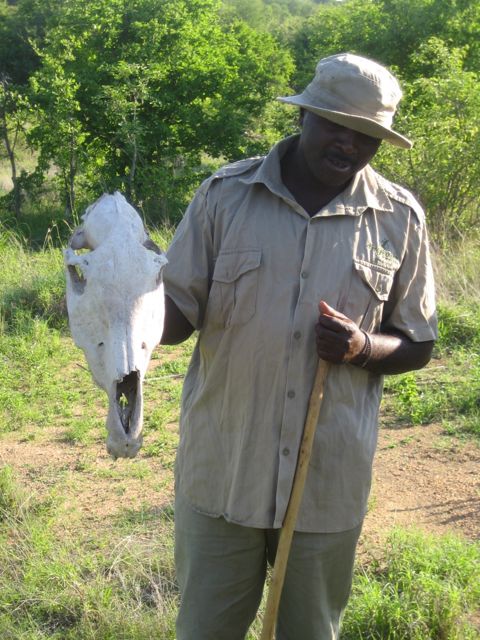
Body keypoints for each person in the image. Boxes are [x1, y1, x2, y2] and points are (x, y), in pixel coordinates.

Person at [160, 53, 437, 640]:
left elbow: (418, 344)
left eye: (366, 135)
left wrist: (363, 347)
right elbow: (176, 320)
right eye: (336, 124)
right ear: (304, 115)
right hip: (223, 472)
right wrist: (113, 305)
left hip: (324, 486)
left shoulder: (399, 218)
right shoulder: (224, 197)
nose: (349, 143)